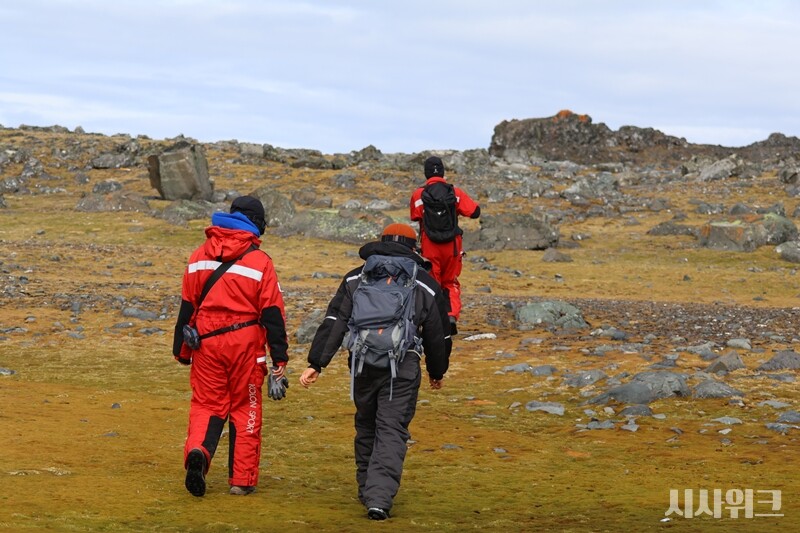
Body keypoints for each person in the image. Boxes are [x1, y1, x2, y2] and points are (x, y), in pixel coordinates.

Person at [299, 223, 451, 521]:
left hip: (362, 364)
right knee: (391, 429)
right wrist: (437, 370)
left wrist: (316, 363)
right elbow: (439, 334)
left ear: (381, 242)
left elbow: (335, 321)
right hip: (403, 367)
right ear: (413, 247)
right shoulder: (425, 283)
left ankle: (367, 490)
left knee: (367, 426)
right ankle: (378, 500)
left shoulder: (357, 277)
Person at [172, 195, 289, 497]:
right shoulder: (260, 262)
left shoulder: (198, 256)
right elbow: (272, 314)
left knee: (206, 404)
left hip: (206, 344)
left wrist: (181, 351)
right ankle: (241, 479)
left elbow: (187, 307)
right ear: (257, 224)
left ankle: (198, 450)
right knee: (245, 407)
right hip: (244, 346)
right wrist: (279, 359)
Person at [410, 156, 480, 334]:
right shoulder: (455, 193)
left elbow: (415, 216)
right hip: (452, 246)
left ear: (426, 173)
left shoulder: (418, 195)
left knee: (430, 282)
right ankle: (450, 316)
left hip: (430, 246)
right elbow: (475, 212)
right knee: (450, 282)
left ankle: (433, 320)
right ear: (442, 172)